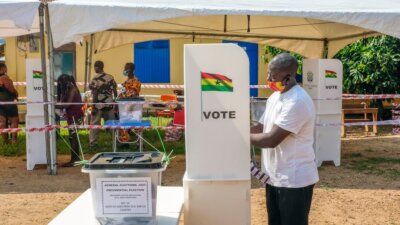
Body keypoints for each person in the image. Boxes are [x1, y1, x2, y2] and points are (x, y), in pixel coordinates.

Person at [250, 53, 319, 225]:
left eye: (272, 76)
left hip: (294, 180)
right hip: (274, 177)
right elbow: (261, 127)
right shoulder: (276, 96)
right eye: (268, 74)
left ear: (287, 78)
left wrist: (238, 137)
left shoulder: (297, 101)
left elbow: (270, 139)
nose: (268, 79)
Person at [56, 74, 84, 167]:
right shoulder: (69, 90)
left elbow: (68, 105)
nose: (60, 85)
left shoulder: (73, 90)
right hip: (71, 116)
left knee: (73, 137)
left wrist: (53, 105)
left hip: (75, 116)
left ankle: (75, 159)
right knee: (72, 137)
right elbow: (63, 101)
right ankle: (75, 158)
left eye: (60, 83)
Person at [89, 60, 117, 148]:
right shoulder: (110, 77)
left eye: (94, 67)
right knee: (111, 123)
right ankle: (116, 141)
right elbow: (115, 91)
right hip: (109, 104)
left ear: (97, 67)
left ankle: (93, 143)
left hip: (98, 104)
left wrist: (93, 106)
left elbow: (95, 93)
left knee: (95, 124)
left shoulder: (95, 79)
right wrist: (114, 102)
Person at [0, 63, 19, 144]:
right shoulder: (4, 77)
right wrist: (16, 94)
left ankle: (5, 141)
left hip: (0, 103)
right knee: (14, 120)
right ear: (3, 68)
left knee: (2, 122)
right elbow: (10, 89)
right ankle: (14, 140)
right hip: (9, 102)